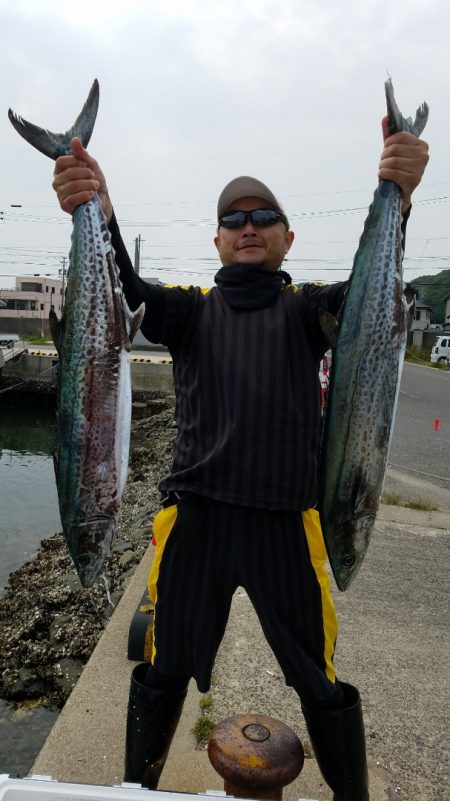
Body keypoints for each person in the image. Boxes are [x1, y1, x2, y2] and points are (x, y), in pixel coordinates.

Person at [52, 123, 429, 801]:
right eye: (232, 219)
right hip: (196, 524)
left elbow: (370, 299)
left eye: (263, 217)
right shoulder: (189, 312)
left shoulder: (309, 310)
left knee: (318, 676)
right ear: (217, 241)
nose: (247, 226)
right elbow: (125, 286)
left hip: (288, 525)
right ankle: (139, 789)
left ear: (287, 238)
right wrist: (99, 207)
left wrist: (397, 196)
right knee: (164, 667)